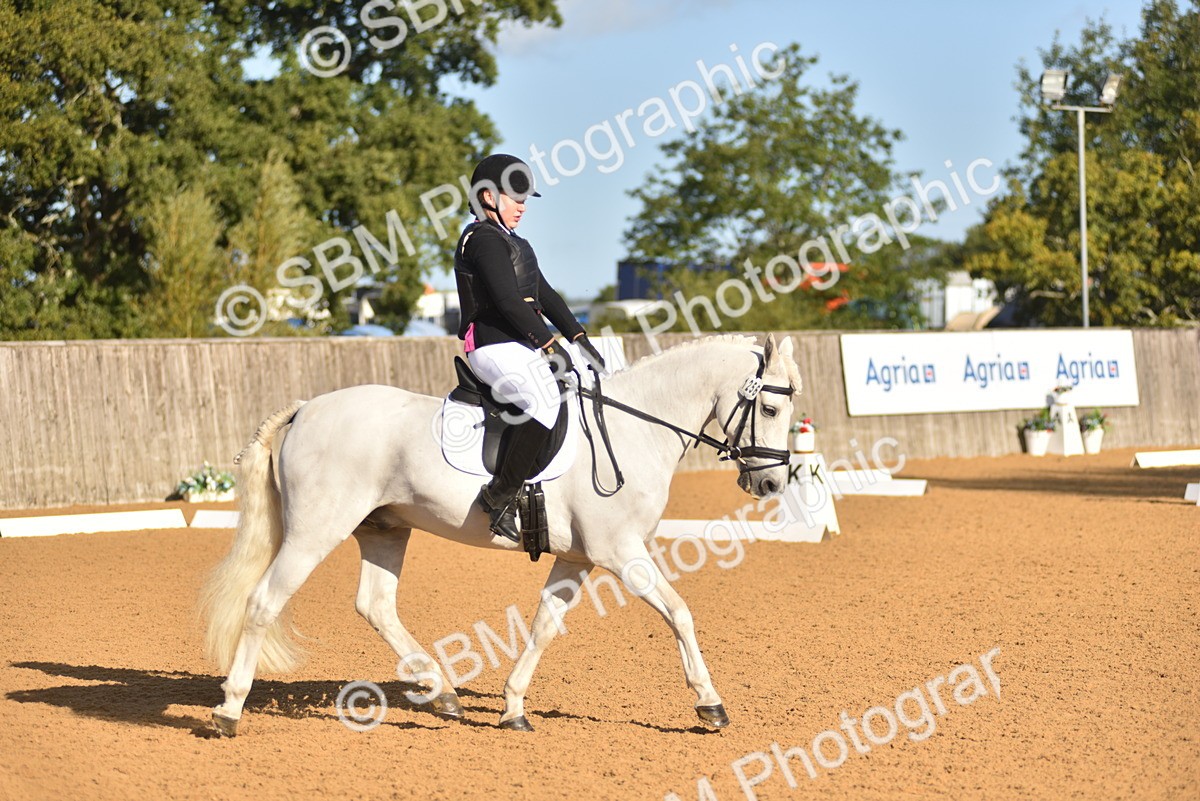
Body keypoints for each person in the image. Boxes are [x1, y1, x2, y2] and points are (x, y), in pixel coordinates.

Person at [454, 154, 606, 542]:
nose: (523, 206)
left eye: (525, 199)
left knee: (577, 386)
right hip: (491, 346)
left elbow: (545, 294)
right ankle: (499, 496)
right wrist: (549, 343)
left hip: (520, 346)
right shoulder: (482, 240)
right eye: (515, 197)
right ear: (487, 196)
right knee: (543, 400)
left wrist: (578, 337)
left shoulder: (513, 241)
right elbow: (507, 302)